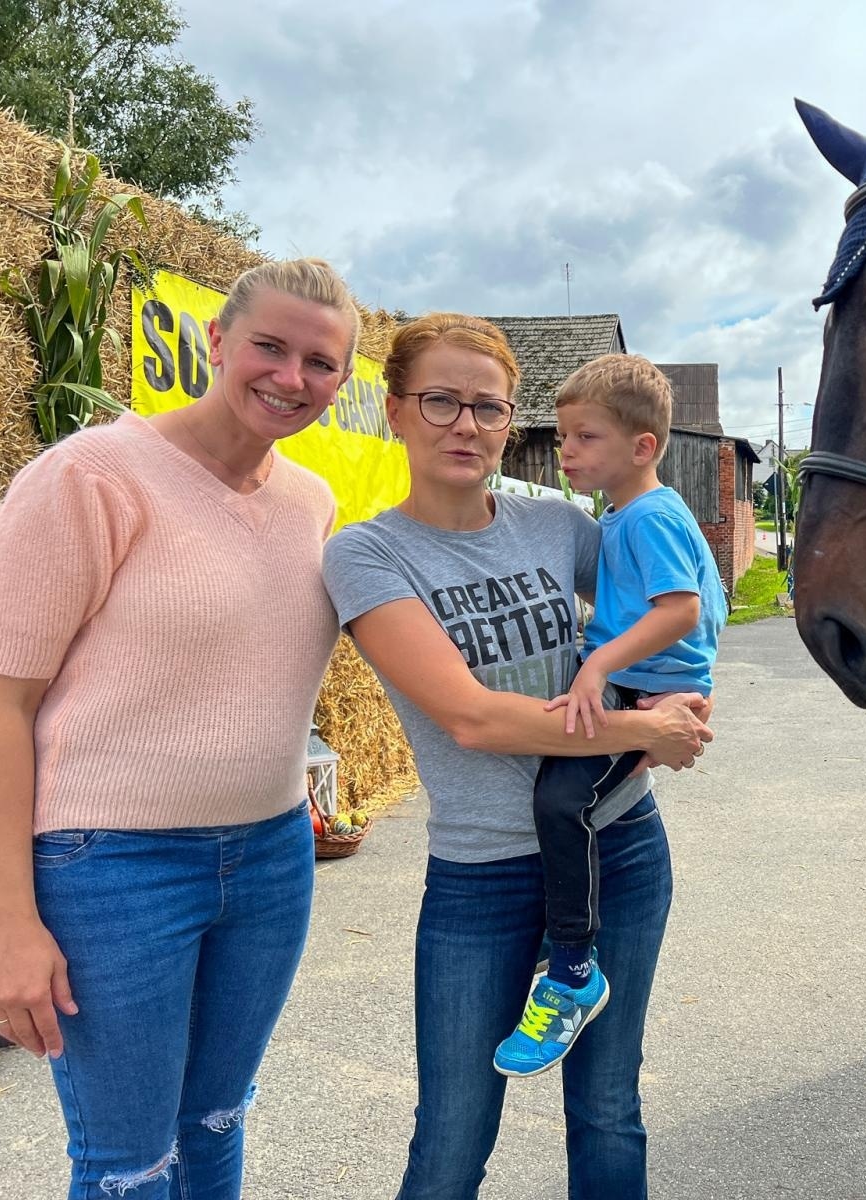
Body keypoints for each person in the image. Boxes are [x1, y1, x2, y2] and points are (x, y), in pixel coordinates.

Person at [0, 258, 359, 1199]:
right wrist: (11, 919)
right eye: (269, 346)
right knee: (128, 1164)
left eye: (321, 363)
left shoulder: (311, 502)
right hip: (112, 869)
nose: (291, 378)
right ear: (218, 342)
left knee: (216, 1121)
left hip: (271, 855)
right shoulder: (90, 479)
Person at [320, 313, 711, 1200]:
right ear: (394, 411)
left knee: (609, 1107)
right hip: (482, 875)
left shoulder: (559, 527)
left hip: (622, 851)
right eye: (442, 402)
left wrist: (685, 691)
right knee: (453, 1135)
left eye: (488, 409)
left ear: (508, 422)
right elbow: (475, 721)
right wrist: (645, 733)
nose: (466, 425)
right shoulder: (368, 554)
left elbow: (671, 601)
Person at [492, 354, 726, 1078]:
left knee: (564, 803)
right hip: (638, 685)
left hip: (640, 690)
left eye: (585, 437)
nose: (567, 452)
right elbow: (691, 600)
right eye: (563, 437)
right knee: (562, 800)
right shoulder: (630, 513)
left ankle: (570, 971)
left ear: (642, 446)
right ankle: (569, 937)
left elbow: (682, 608)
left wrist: (600, 665)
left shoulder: (650, 514)